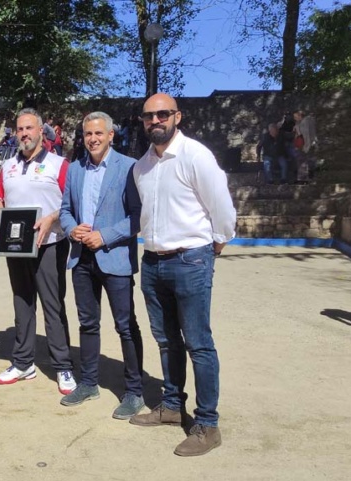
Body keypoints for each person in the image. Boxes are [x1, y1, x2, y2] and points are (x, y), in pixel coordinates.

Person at [130, 93, 236, 457]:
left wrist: (216, 244)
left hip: (190, 259)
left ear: (177, 116)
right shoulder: (141, 166)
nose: (155, 120)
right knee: (166, 341)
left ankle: (207, 424)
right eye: (148, 116)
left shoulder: (196, 156)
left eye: (163, 114)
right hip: (154, 261)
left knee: (198, 343)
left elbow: (221, 206)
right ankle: (172, 406)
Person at [58, 111, 145, 418]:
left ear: (111, 135)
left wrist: (104, 236)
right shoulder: (75, 169)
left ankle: (134, 391)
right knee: (88, 323)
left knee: (125, 326)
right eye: (87, 134)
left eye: (98, 133)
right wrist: (72, 229)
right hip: (82, 258)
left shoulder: (129, 167)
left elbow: (137, 217)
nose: (92, 139)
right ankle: (89, 382)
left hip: (115, 257)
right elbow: (65, 210)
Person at [0, 108, 76, 395]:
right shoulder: (7, 167)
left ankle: (63, 366)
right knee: (22, 303)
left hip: (50, 244)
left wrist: (51, 219)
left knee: (53, 306)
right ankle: (23, 361)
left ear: (42, 131)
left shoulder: (59, 164)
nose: (24, 134)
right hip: (16, 247)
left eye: (30, 128)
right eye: (20, 129)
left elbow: (70, 204)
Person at [293, 110, 318, 183]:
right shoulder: (309, 120)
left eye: (296, 116)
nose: (295, 118)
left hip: (305, 145)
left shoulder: (304, 123)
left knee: (302, 161)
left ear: (300, 116)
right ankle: (311, 178)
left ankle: (303, 178)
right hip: (311, 144)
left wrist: (305, 147)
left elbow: (306, 135)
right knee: (311, 161)